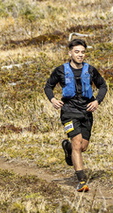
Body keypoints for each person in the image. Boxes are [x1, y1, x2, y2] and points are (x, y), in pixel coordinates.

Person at [43, 37, 107, 192]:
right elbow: (48, 86)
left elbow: (103, 86)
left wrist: (97, 101)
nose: (80, 55)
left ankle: (68, 148)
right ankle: (82, 181)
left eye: (83, 52)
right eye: (77, 52)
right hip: (69, 111)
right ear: (70, 53)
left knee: (82, 146)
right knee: (77, 143)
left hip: (86, 111)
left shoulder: (90, 70)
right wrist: (52, 99)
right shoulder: (60, 70)